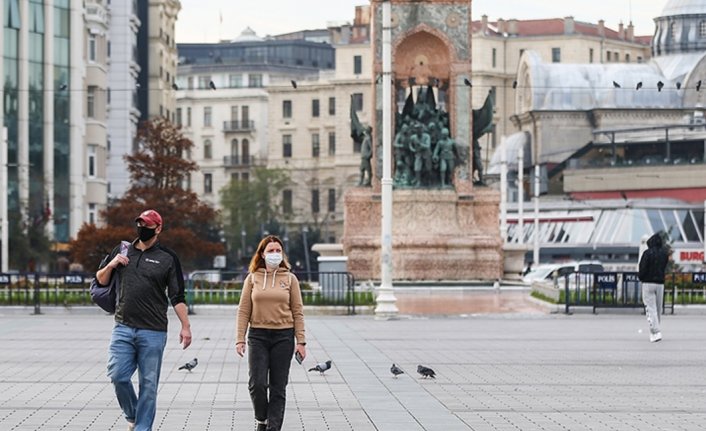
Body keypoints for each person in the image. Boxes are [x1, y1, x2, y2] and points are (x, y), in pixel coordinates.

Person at [96, 209, 192, 431]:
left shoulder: (168, 258)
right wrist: (111, 265)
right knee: (118, 375)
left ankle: (142, 428)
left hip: (153, 331)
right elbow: (100, 280)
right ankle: (133, 416)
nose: (142, 228)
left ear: (158, 229)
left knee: (149, 384)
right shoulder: (122, 250)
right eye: (140, 223)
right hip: (123, 327)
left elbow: (177, 296)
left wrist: (185, 326)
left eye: (148, 225)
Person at [236, 235, 306, 431]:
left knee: (278, 387)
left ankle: (273, 428)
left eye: (278, 251)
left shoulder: (290, 279)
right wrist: (239, 339)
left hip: (283, 336)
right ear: (262, 254)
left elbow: (298, 311)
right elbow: (243, 310)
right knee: (257, 384)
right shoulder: (252, 278)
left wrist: (301, 341)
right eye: (271, 251)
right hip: (257, 336)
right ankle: (262, 418)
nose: (275, 254)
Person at [638, 232, 670, 342]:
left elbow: (642, 267)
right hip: (660, 283)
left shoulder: (647, 253)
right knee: (658, 308)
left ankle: (656, 331)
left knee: (650, 308)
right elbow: (664, 266)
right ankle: (655, 331)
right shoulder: (664, 254)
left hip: (648, 283)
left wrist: (641, 277)